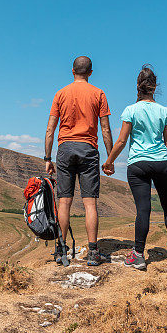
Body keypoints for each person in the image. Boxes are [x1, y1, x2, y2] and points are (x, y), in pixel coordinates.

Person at [102, 65, 167, 271]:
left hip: (138, 164)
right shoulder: (165, 111)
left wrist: (109, 162)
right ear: (155, 87)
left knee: (143, 210)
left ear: (138, 86)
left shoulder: (131, 110)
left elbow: (121, 141)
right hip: (162, 162)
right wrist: (165, 161)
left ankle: (138, 255)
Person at [44, 56, 114, 266]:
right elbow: (106, 130)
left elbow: (50, 129)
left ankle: (61, 250)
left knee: (64, 201)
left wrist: (48, 158)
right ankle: (93, 252)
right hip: (88, 149)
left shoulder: (61, 93)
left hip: (65, 149)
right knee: (90, 203)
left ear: (72, 71)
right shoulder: (98, 94)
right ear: (91, 72)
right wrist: (110, 158)